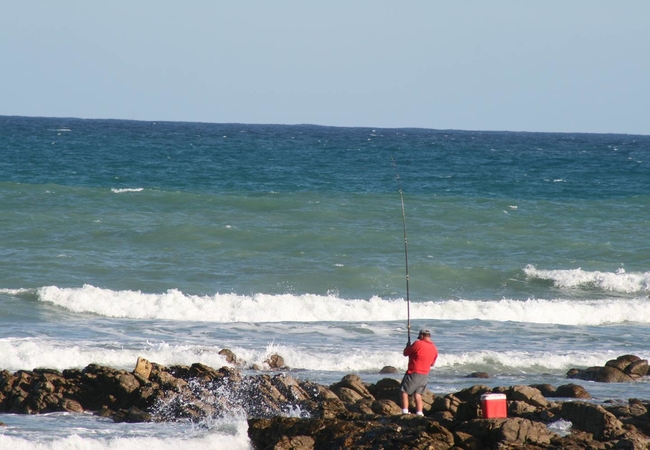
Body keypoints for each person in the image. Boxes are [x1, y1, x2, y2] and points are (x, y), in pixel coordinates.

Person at [400, 328, 438, 415]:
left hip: (414, 372)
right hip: (425, 374)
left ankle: (405, 412)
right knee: (418, 395)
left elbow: (406, 353)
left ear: (421, 336)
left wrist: (408, 346)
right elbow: (432, 363)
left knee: (404, 392)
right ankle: (419, 413)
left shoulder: (418, 343)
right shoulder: (434, 348)